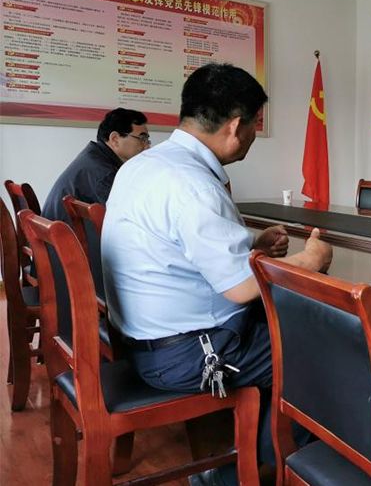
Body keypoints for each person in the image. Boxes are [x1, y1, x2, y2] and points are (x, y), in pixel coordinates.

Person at [101, 63, 332, 484]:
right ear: (236, 126)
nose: (254, 136)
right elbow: (241, 288)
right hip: (187, 355)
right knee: (323, 350)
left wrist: (251, 246)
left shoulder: (145, 165)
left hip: (143, 339)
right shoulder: (192, 183)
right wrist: (311, 260)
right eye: (255, 125)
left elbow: (182, 248)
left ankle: (262, 451)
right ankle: (244, 469)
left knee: (299, 323)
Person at [41, 107, 150, 222]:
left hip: (59, 229)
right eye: (142, 138)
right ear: (115, 139)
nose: (147, 146)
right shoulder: (104, 173)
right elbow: (128, 216)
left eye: (147, 140)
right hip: (65, 232)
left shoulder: (95, 156)